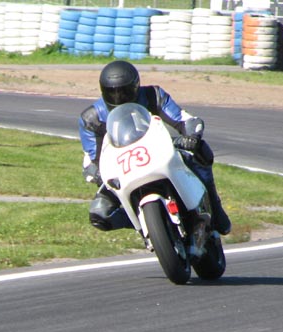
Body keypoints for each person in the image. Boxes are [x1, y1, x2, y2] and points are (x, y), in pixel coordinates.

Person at [77, 60, 231, 235]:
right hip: (123, 167)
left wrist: (191, 136)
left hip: (157, 151)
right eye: (112, 93)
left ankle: (214, 205)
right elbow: (92, 158)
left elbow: (183, 119)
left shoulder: (153, 95)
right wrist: (97, 174)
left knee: (201, 150)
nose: (119, 97)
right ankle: (142, 222)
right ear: (103, 91)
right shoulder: (91, 118)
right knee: (99, 214)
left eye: (125, 91)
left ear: (136, 87)